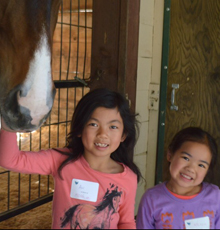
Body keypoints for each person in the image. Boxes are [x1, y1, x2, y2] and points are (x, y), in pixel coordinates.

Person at [0, 88, 142, 229]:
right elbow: (10, 159)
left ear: (123, 135)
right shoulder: (61, 161)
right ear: (80, 129)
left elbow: (126, 222)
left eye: (113, 127)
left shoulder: (128, 177)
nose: (102, 134)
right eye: (94, 124)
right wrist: (9, 122)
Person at [136, 127, 220, 229]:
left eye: (201, 165)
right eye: (186, 158)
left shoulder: (215, 196)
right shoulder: (151, 199)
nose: (191, 169)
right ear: (170, 155)